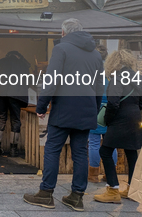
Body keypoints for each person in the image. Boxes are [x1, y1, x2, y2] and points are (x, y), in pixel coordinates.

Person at [23, 18, 104, 212]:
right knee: (80, 152)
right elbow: (100, 86)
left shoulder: (61, 49)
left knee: (52, 149)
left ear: (63, 33)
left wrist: (41, 106)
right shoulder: (95, 54)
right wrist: (94, 107)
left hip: (64, 108)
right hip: (86, 109)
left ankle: (46, 193)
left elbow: (51, 81)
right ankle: (76, 197)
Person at [94, 49, 142, 203]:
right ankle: (132, 189)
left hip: (120, 119)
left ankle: (113, 190)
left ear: (113, 63)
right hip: (135, 118)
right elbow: (141, 103)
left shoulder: (117, 77)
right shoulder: (137, 77)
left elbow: (113, 102)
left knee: (105, 151)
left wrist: (108, 120)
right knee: (131, 153)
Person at [88, 45, 118, 183]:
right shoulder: (112, 70)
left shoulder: (91, 70)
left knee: (94, 142)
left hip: (96, 107)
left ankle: (93, 174)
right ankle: (109, 173)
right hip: (111, 107)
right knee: (111, 143)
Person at [0, 50, 30, 157]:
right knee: (15, 120)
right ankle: (14, 150)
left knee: (0, 118)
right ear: (18, 56)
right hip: (16, 94)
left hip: (1, 94)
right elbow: (28, 82)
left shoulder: (1, 62)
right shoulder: (23, 64)